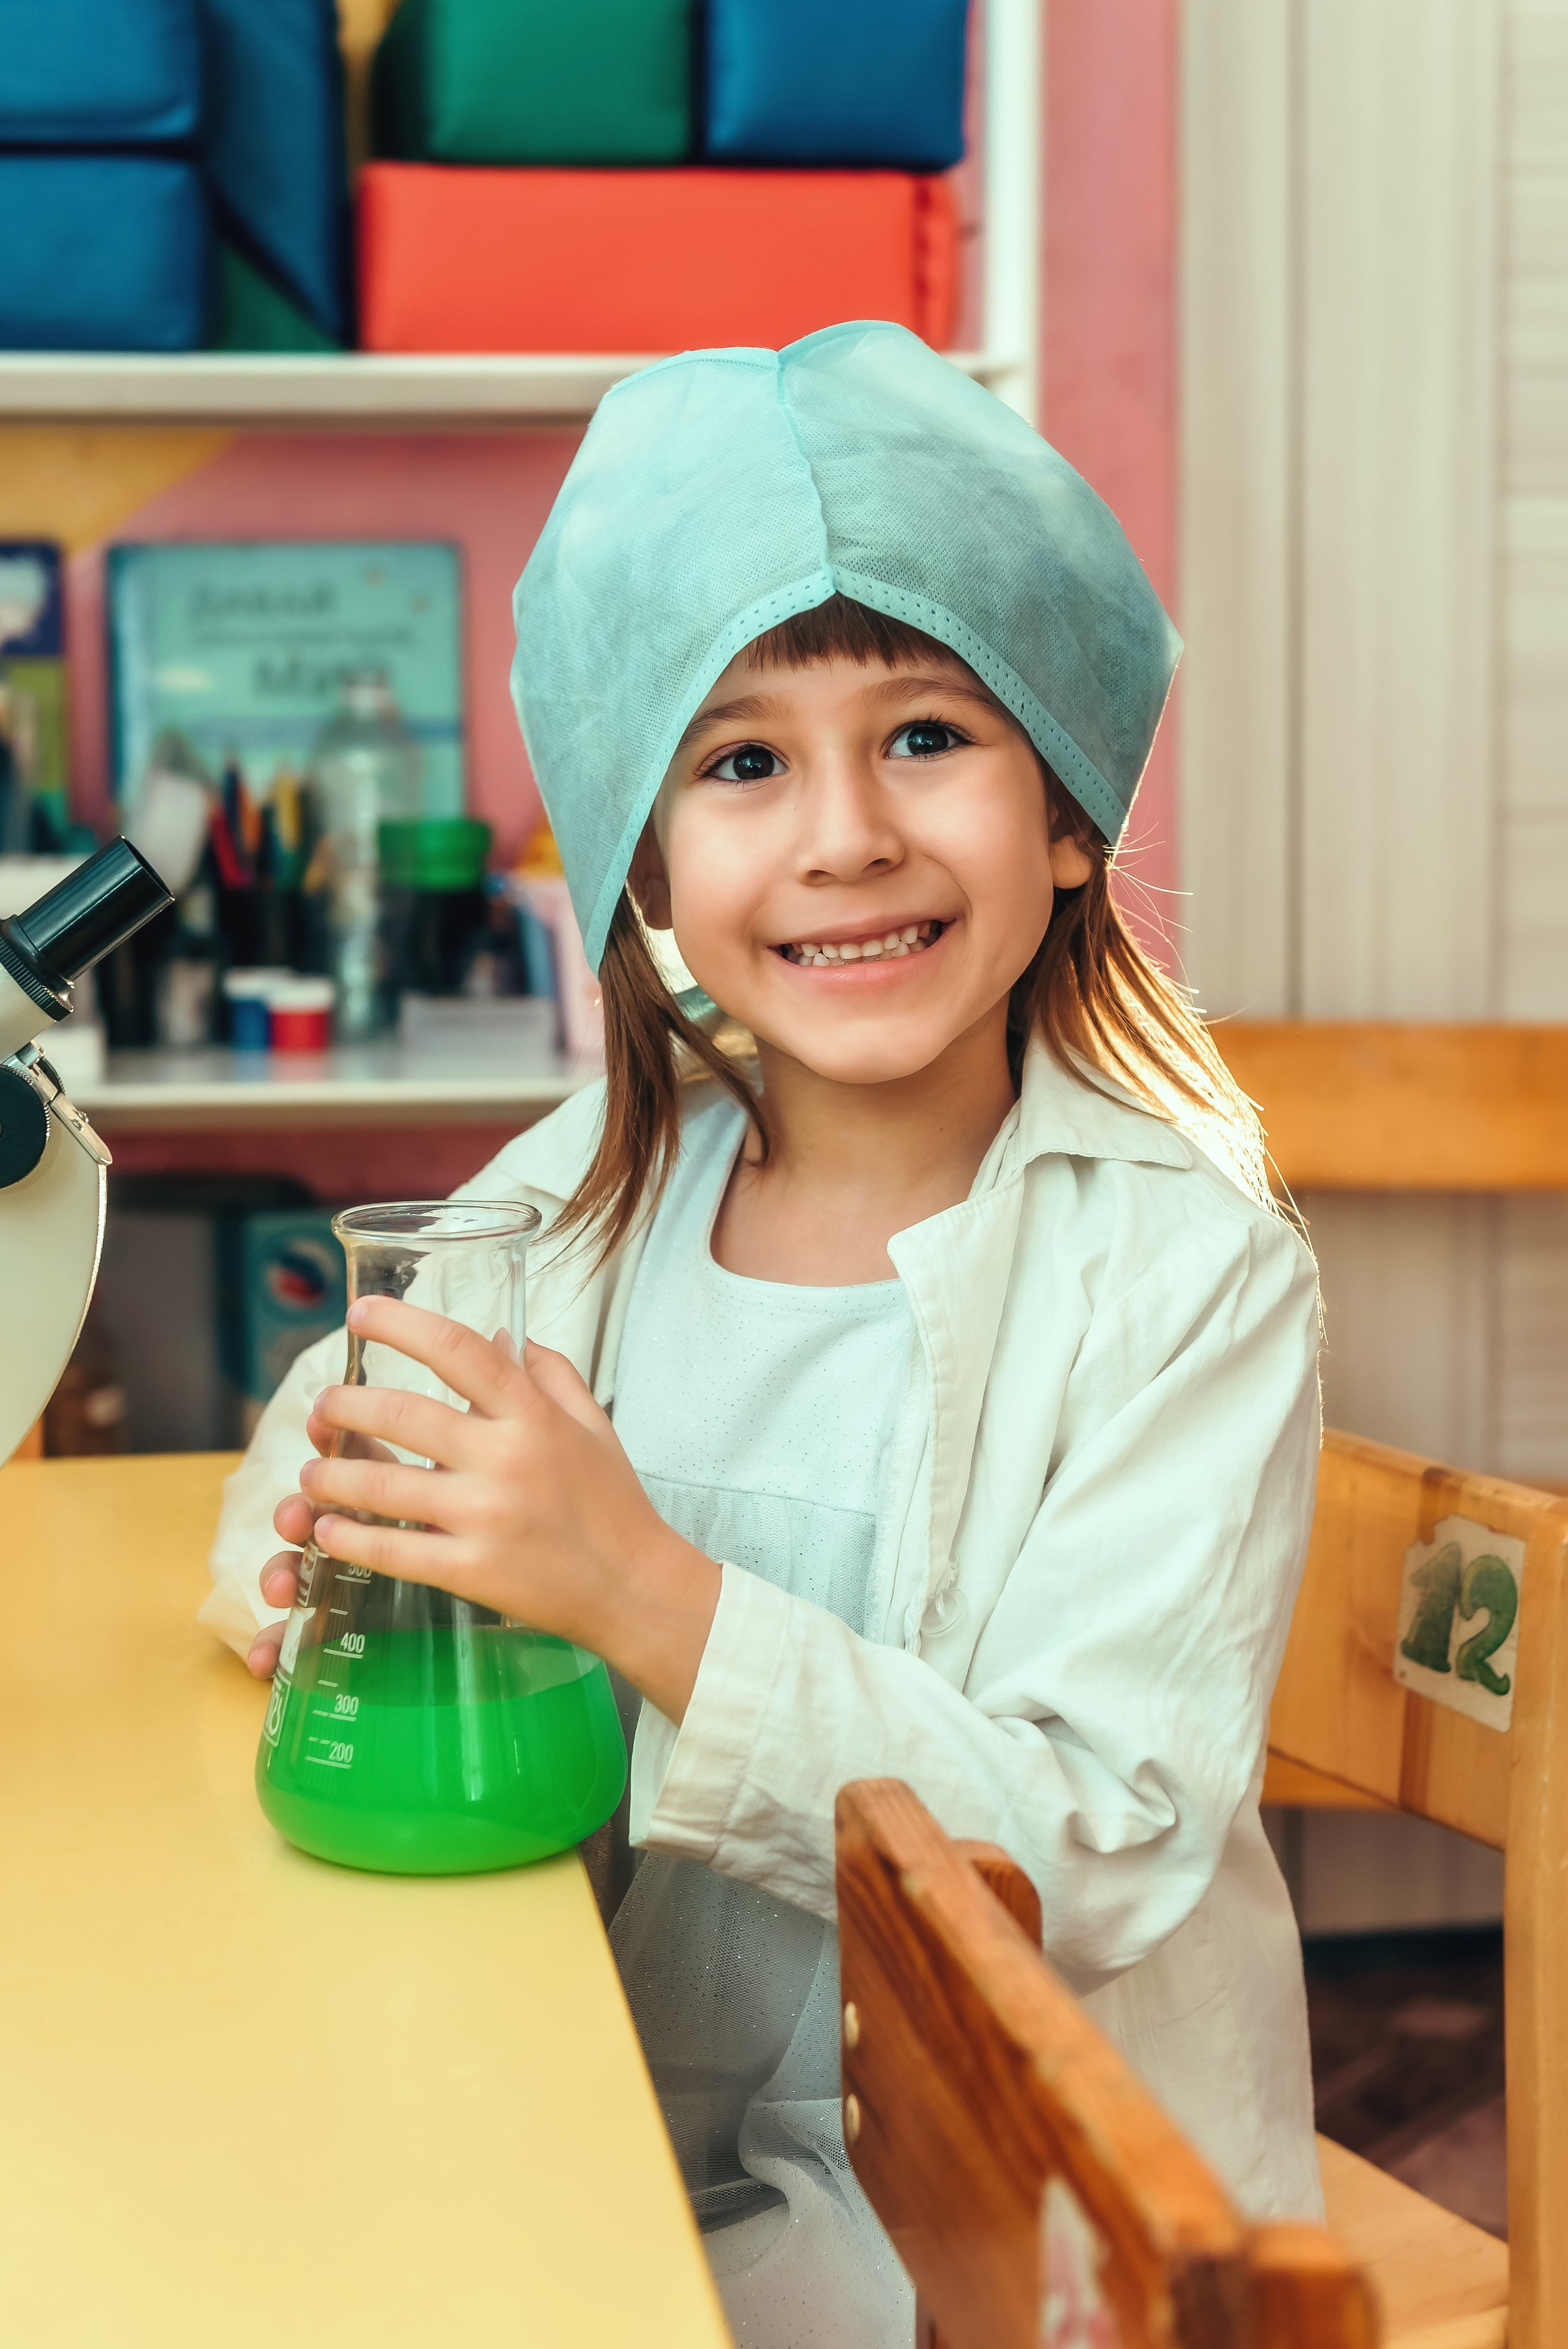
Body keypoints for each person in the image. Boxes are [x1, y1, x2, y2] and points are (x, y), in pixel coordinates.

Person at [204, 323, 1324, 2346]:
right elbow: (313, 1437)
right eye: (741, 761)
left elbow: (1101, 1843)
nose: (843, 837)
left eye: (927, 735)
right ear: (645, 868)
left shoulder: (1184, 1270)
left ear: (1068, 809)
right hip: (594, 2102)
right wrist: (326, 1568)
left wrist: (637, 1589)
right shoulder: (576, 1195)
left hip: (1008, 2216)